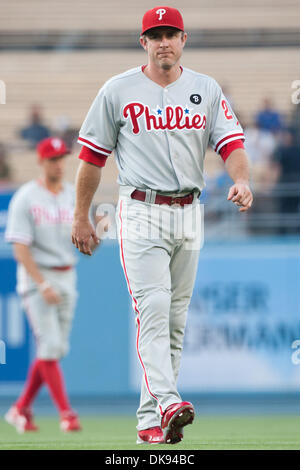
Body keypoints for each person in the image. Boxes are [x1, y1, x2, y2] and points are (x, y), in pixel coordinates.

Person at [71, 6, 253, 445]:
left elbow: (231, 143)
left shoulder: (205, 89)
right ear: (144, 43)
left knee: (173, 321)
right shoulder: (118, 90)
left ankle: (149, 423)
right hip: (140, 209)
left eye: (171, 33)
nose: (164, 42)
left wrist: (242, 178)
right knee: (152, 307)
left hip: (190, 211)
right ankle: (170, 401)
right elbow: (92, 158)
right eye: (156, 35)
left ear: (183, 39)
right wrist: (81, 216)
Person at [4, 137, 81, 433]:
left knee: (55, 349)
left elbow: (84, 234)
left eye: (61, 158)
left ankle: (20, 408)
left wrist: (93, 235)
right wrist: (41, 282)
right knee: (50, 345)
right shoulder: (26, 197)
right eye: (53, 159)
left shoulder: (72, 195)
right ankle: (66, 413)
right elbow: (20, 247)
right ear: (41, 161)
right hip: (39, 277)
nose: (59, 164)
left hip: (67, 273)